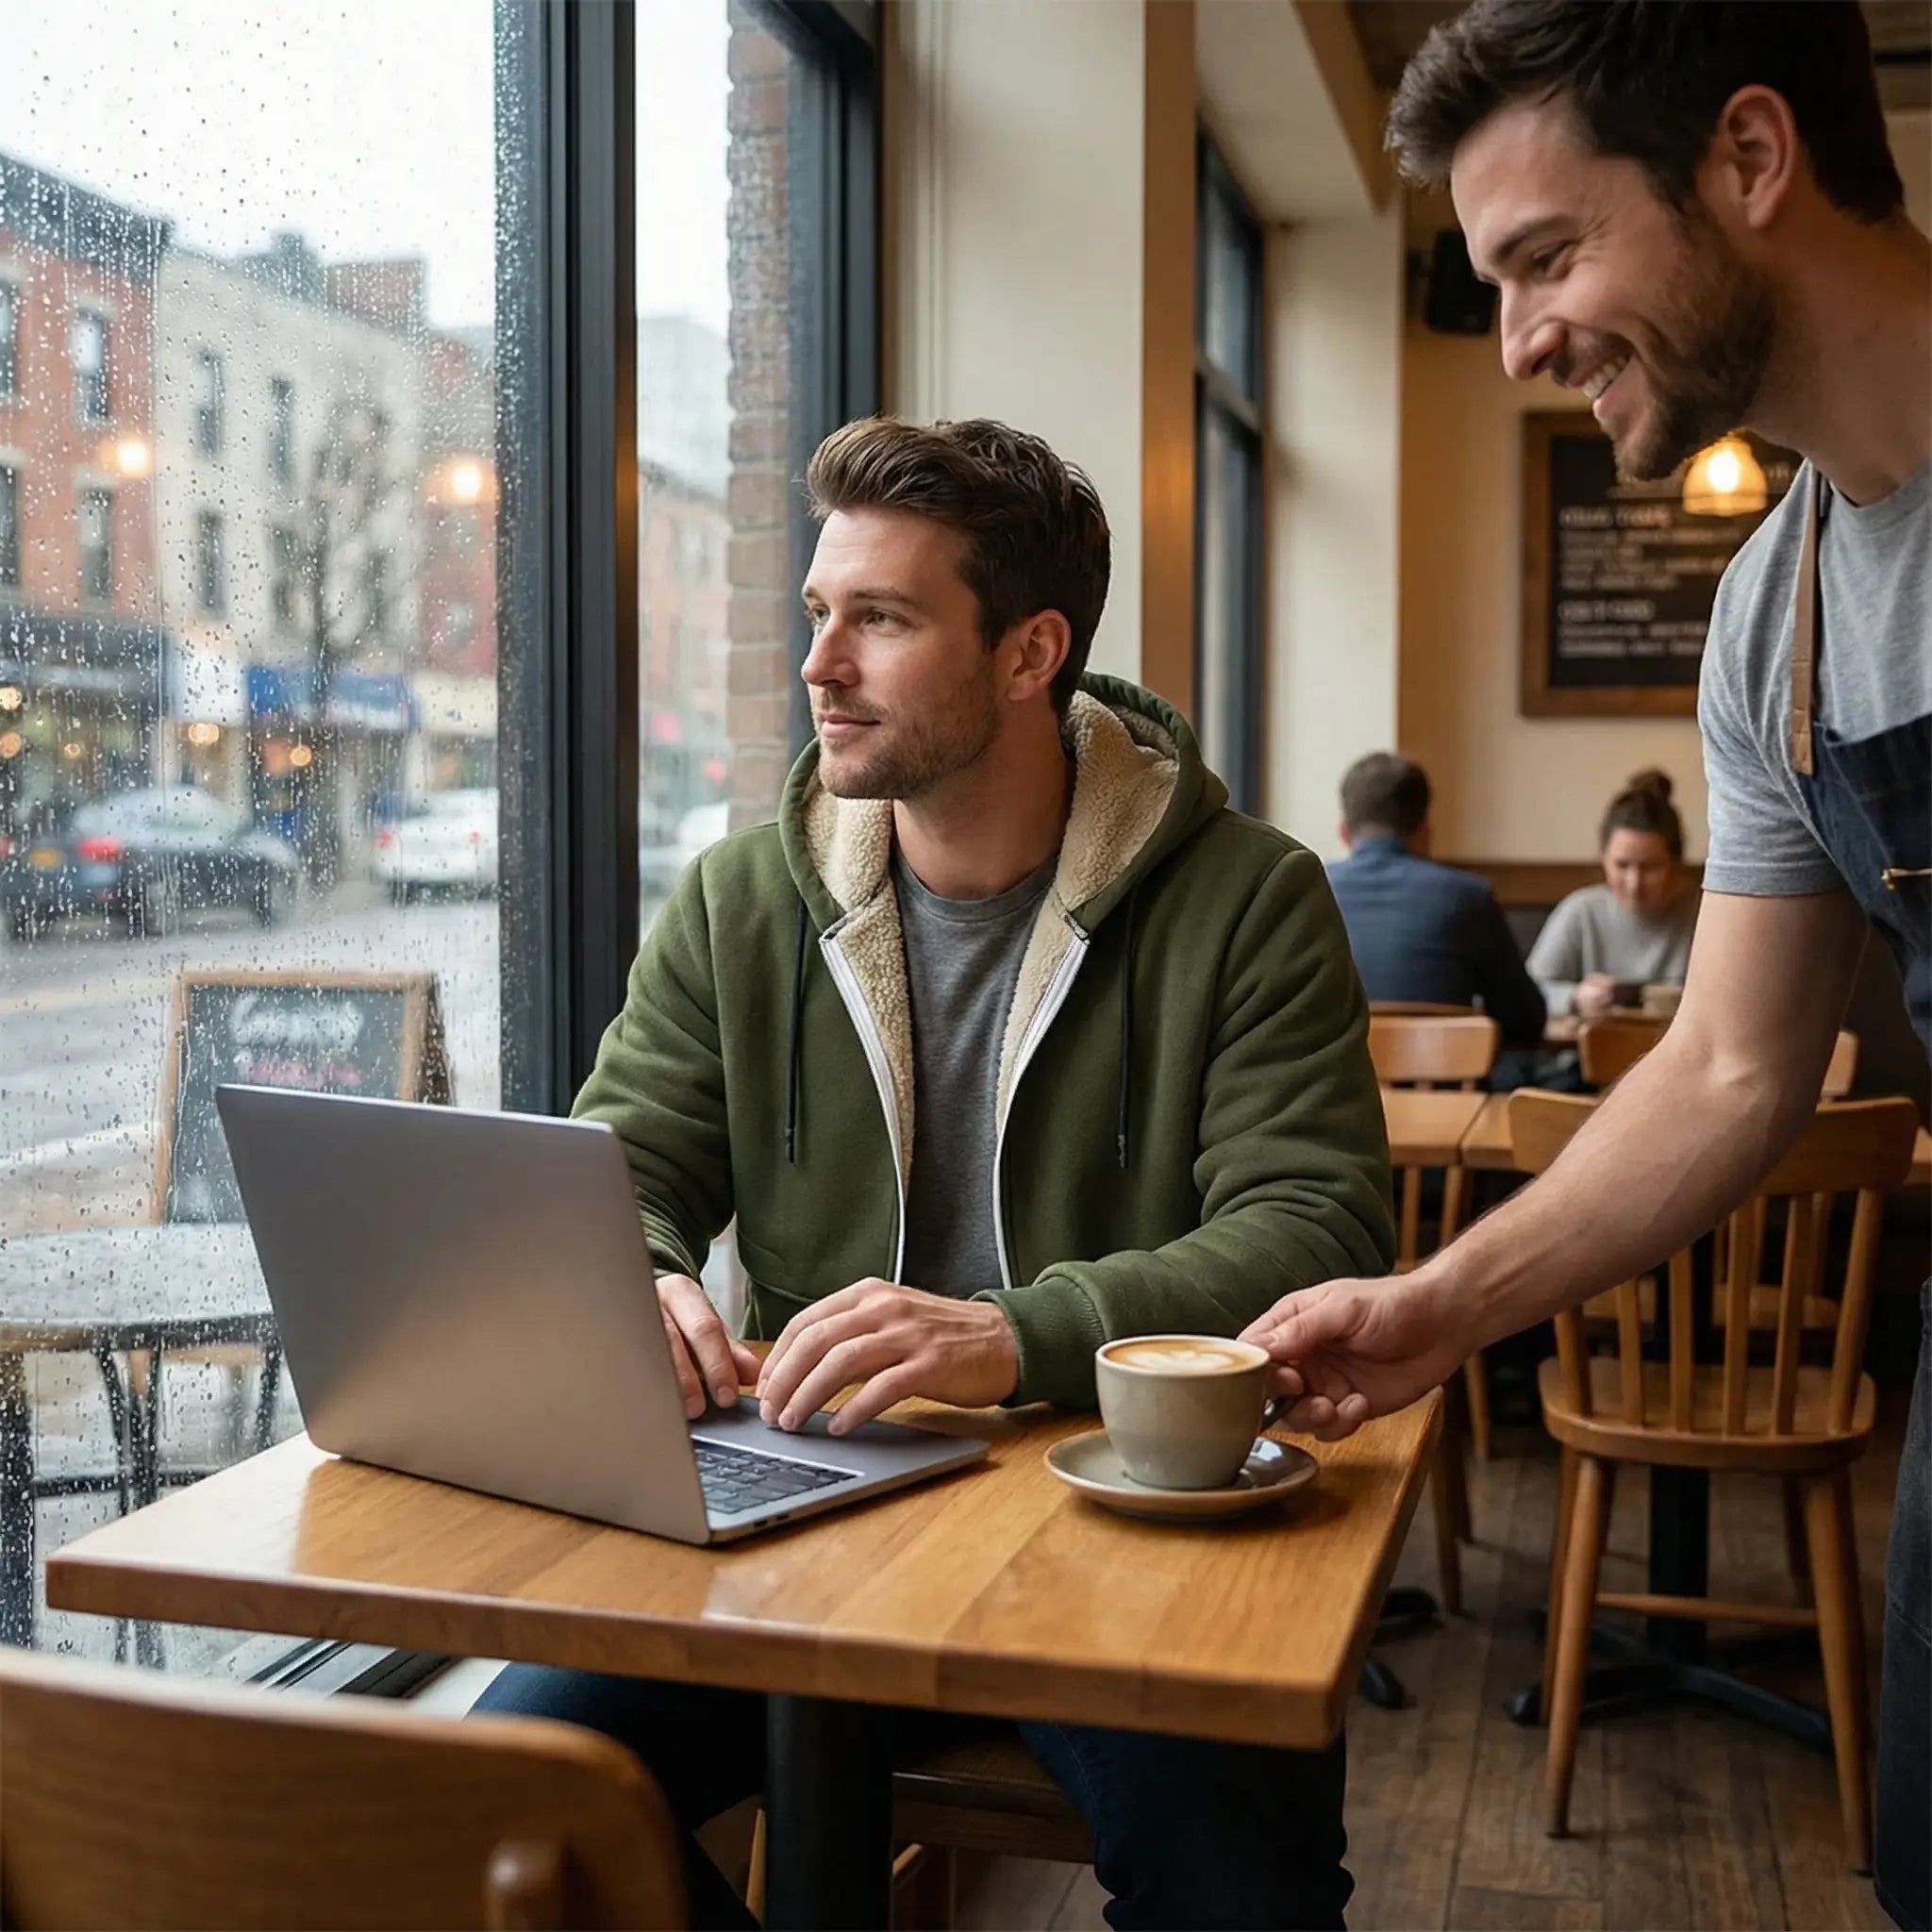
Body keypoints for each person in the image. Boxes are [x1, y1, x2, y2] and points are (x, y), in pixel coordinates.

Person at [478, 416, 1396, 1930]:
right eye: (817, 616)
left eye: (881, 621)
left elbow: (1314, 1225)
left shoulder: (1251, 899)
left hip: (1113, 1518)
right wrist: (634, 1273)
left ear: (1031, 653)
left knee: (1244, 1887)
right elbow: (622, 1162)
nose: (820, 665)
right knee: (505, 1801)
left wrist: (1010, 1336)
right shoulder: (737, 899)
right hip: (803, 1500)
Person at [1241, 6, 1930, 1924]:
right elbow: (1721, 1071)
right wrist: (1445, 1304)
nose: (1523, 335)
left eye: (1546, 255)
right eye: (1494, 281)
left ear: (1746, 160)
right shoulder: (1772, 620)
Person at [1325, 750, 1546, 1045]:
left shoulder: (1310, 889)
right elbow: (1524, 1019)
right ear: (1425, 829)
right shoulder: (1467, 896)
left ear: (1343, 833)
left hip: (1334, 1088)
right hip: (1448, 1089)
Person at [1526, 769, 1700, 1018]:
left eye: (1649, 867)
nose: (1634, 883)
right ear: (1604, 860)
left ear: (1675, 862)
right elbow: (1528, 991)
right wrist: (1575, 997)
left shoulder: (1703, 915)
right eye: (1622, 865)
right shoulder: (1581, 911)